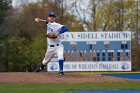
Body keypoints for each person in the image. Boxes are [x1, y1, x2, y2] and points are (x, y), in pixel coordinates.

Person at [35, 12, 68, 76]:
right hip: (50, 47)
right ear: (48, 17)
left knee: (60, 56)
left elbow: (66, 28)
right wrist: (40, 20)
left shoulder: (56, 25)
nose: (51, 18)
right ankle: (41, 68)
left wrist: (58, 33)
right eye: (50, 16)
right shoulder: (48, 23)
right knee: (45, 61)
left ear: (54, 18)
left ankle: (61, 71)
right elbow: (46, 21)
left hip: (58, 46)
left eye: (53, 17)